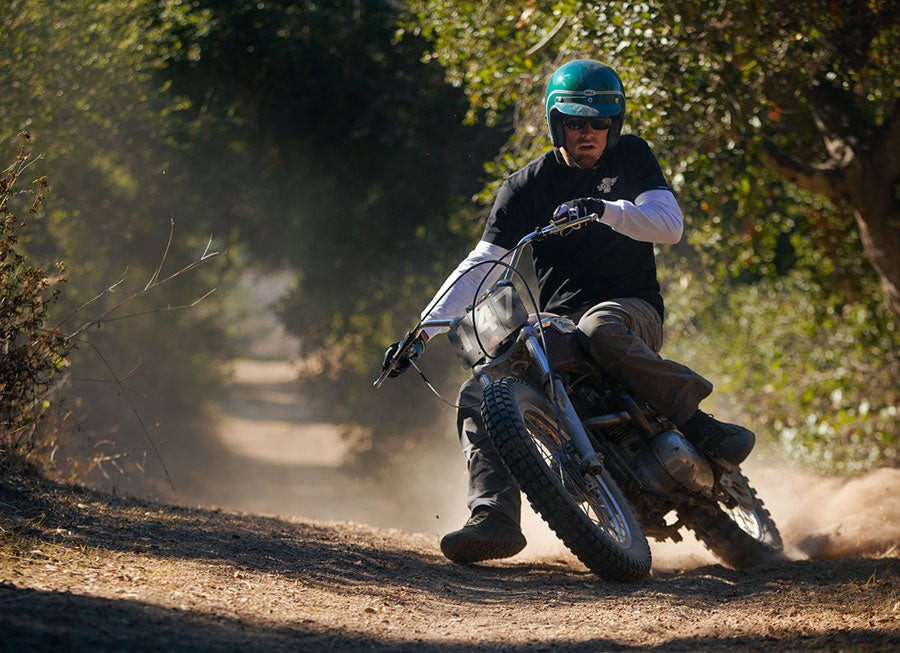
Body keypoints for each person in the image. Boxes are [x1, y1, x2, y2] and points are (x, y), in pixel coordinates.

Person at [381, 59, 755, 565]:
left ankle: (699, 424)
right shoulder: (526, 186)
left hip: (631, 310)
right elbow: (484, 262)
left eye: (600, 123)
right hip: (558, 316)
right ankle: (493, 512)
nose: (589, 133)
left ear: (613, 126)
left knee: (599, 326)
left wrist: (603, 209)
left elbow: (669, 226)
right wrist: (421, 333)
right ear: (557, 122)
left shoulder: (632, 157)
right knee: (482, 384)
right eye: (577, 122)